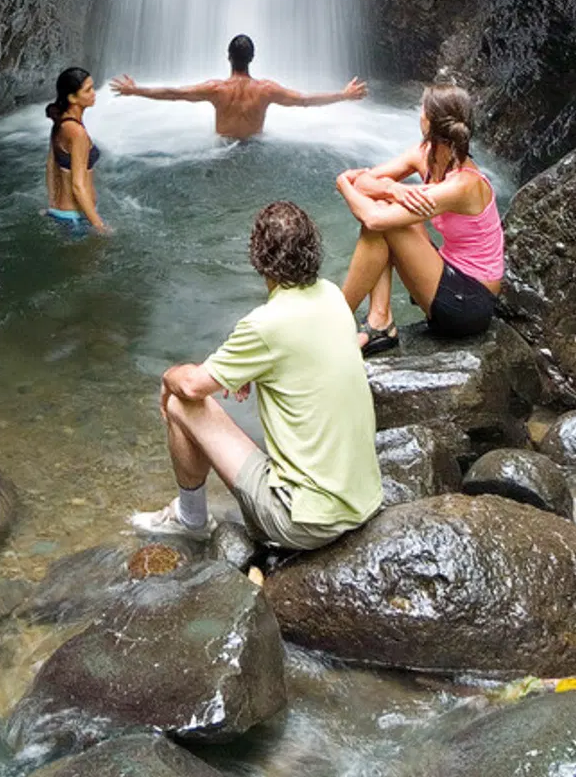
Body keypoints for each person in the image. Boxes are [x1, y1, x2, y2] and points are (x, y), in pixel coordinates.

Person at [133, 199, 382, 548]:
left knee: (180, 403)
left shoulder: (265, 325)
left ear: (258, 257)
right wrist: (257, 369)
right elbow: (310, 352)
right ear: (313, 248)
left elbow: (191, 386)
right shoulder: (332, 297)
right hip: (363, 501)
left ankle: (190, 519)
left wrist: (169, 377)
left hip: (306, 522)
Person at [335, 83, 502, 352]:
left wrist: (342, 183)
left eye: (422, 109)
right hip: (447, 273)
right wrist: (392, 188)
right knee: (385, 205)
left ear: (431, 122)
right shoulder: (424, 155)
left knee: (384, 221)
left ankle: (333, 322)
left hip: (470, 303)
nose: (418, 113)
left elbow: (372, 217)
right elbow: (365, 181)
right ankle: (379, 320)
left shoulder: (464, 184)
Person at [111, 33, 367, 140]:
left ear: (228, 57)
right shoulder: (266, 90)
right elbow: (304, 100)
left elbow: (174, 94)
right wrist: (343, 95)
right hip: (256, 150)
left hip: (222, 150)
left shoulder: (216, 89)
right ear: (252, 58)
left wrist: (136, 90)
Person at [45, 66, 110, 235]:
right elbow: (78, 185)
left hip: (61, 212)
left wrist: (52, 203)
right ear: (72, 97)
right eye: (88, 90)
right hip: (75, 219)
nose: (94, 93)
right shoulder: (77, 133)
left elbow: (51, 166)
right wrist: (100, 226)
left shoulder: (60, 122)